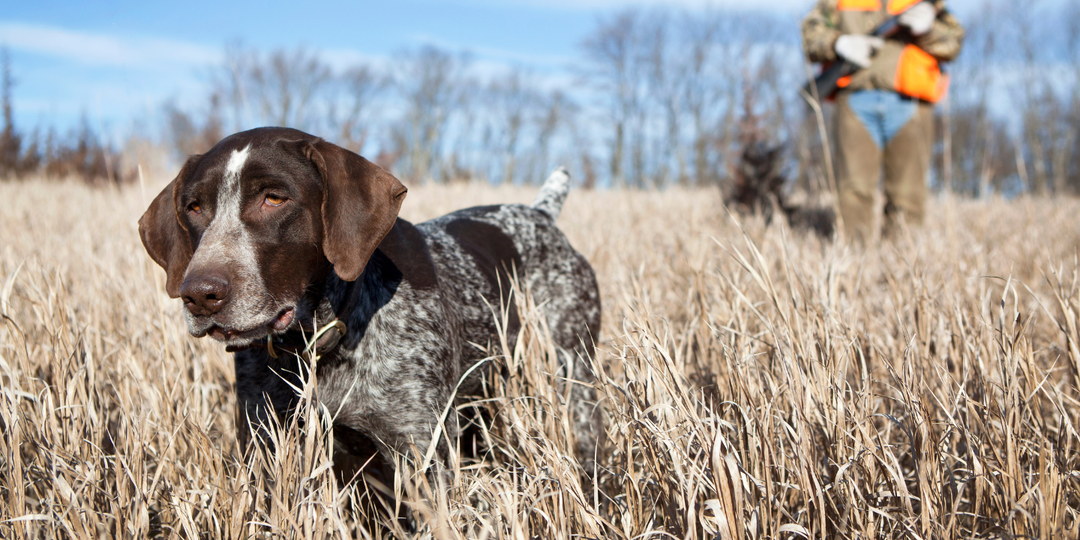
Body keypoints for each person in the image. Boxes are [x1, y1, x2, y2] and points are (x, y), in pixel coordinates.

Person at [801, 0, 964, 241]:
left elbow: (953, 42)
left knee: (908, 197)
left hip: (911, 103)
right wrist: (839, 43)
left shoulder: (926, 3)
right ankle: (855, 267)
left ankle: (903, 267)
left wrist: (928, 29)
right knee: (853, 193)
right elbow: (810, 36)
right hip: (855, 100)